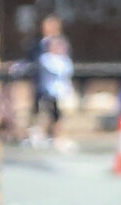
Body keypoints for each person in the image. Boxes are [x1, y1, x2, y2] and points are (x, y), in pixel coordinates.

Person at [31, 16, 74, 148]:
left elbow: (66, 69)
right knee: (41, 111)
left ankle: (57, 136)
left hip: (60, 89)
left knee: (58, 113)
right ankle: (40, 136)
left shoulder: (63, 50)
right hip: (43, 86)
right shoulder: (42, 54)